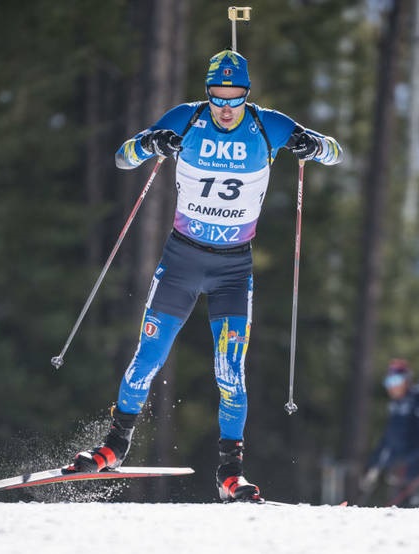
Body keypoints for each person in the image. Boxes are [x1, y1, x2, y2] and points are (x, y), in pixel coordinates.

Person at [61, 49, 343, 503]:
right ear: (207, 92)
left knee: (230, 372)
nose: (226, 107)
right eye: (218, 96)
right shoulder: (186, 118)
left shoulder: (269, 124)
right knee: (146, 359)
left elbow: (334, 152)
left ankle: (230, 474)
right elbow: (122, 158)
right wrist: (152, 143)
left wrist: (314, 145)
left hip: (233, 269)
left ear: (247, 93)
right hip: (182, 262)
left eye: (235, 96)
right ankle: (115, 445)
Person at [360, 359, 419, 507]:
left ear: (407, 380)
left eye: (396, 380)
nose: (392, 386)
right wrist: (375, 465)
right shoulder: (395, 406)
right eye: (388, 381)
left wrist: (406, 460)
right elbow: (388, 439)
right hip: (398, 478)